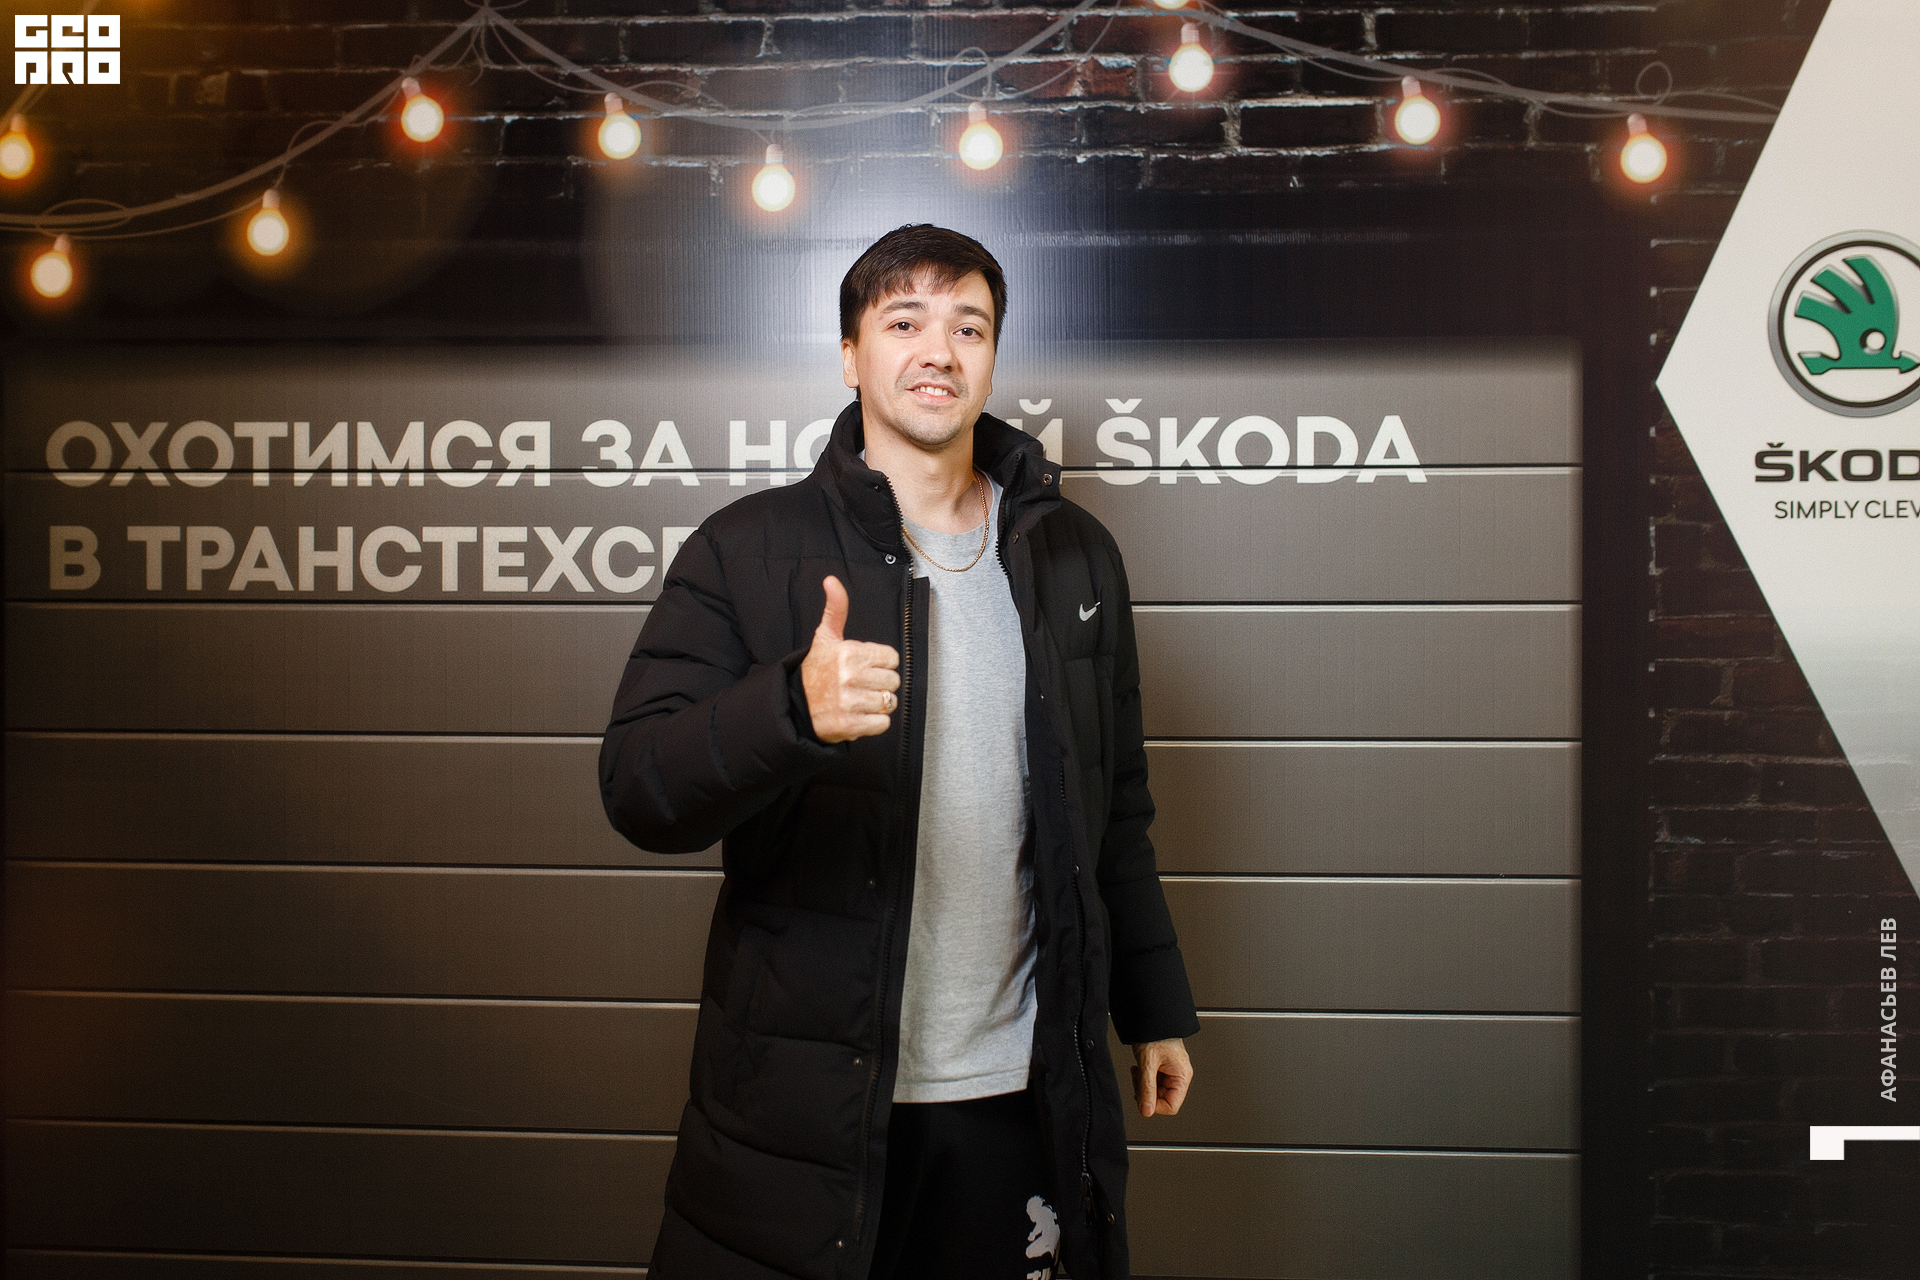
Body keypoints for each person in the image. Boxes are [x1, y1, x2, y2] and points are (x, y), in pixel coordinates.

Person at [599, 224, 1198, 1280]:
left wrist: (1152, 1010)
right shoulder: (745, 549)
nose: (939, 351)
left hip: (1016, 1092)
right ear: (850, 356)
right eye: (904, 322)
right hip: (807, 1109)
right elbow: (639, 787)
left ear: (993, 358)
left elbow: (1117, 811)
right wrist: (788, 708)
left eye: (969, 327)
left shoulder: (1074, 555)